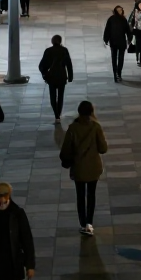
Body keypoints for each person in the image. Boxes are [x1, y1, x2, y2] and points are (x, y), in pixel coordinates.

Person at [60, 101, 108, 236]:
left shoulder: (73, 128)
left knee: (80, 196)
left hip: (79, 168)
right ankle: (89, 224)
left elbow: (65, 151)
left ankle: (82, 223)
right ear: (91, 112)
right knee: (91, 195)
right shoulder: (96, 127)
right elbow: (103, 149)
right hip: (93, 167)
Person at [38, 35, 74, 122]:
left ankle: (56, 114)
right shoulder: (64, 50)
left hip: (51, 77)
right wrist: (70, 77)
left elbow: (41, 65)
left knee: (53, 96)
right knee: (60, 96)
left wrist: (45, 74)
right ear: (60, 41)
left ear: (52, 41)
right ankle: (59, 112)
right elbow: (69, 64)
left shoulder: (48, 51)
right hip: (62, 76)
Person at [103, 5, 131, 82]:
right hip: (113, 42)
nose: (120, 11)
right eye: (118, 10)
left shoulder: (124, 19)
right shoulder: (111, 19)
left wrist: (129, 38)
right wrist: (105, 39)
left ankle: (119, 73)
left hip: (121, 42)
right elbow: (107, 30)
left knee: (121, 59)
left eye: (121, 10)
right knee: (114, 59)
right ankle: (115, 74)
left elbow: (127, 30)